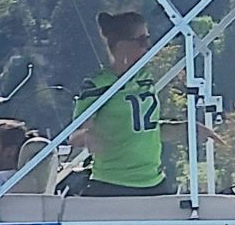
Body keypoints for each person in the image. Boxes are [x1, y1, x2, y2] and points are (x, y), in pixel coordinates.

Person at [72, 10, 171, 197]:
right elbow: (75, 134)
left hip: (154, 182)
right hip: (111, 184)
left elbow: (146, 129)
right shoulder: (98, 84)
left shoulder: (145, 79)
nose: (147, 46)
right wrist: (88, 137)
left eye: (148, 39)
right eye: (141, 40)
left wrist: (189, 129)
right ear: (121, 45)